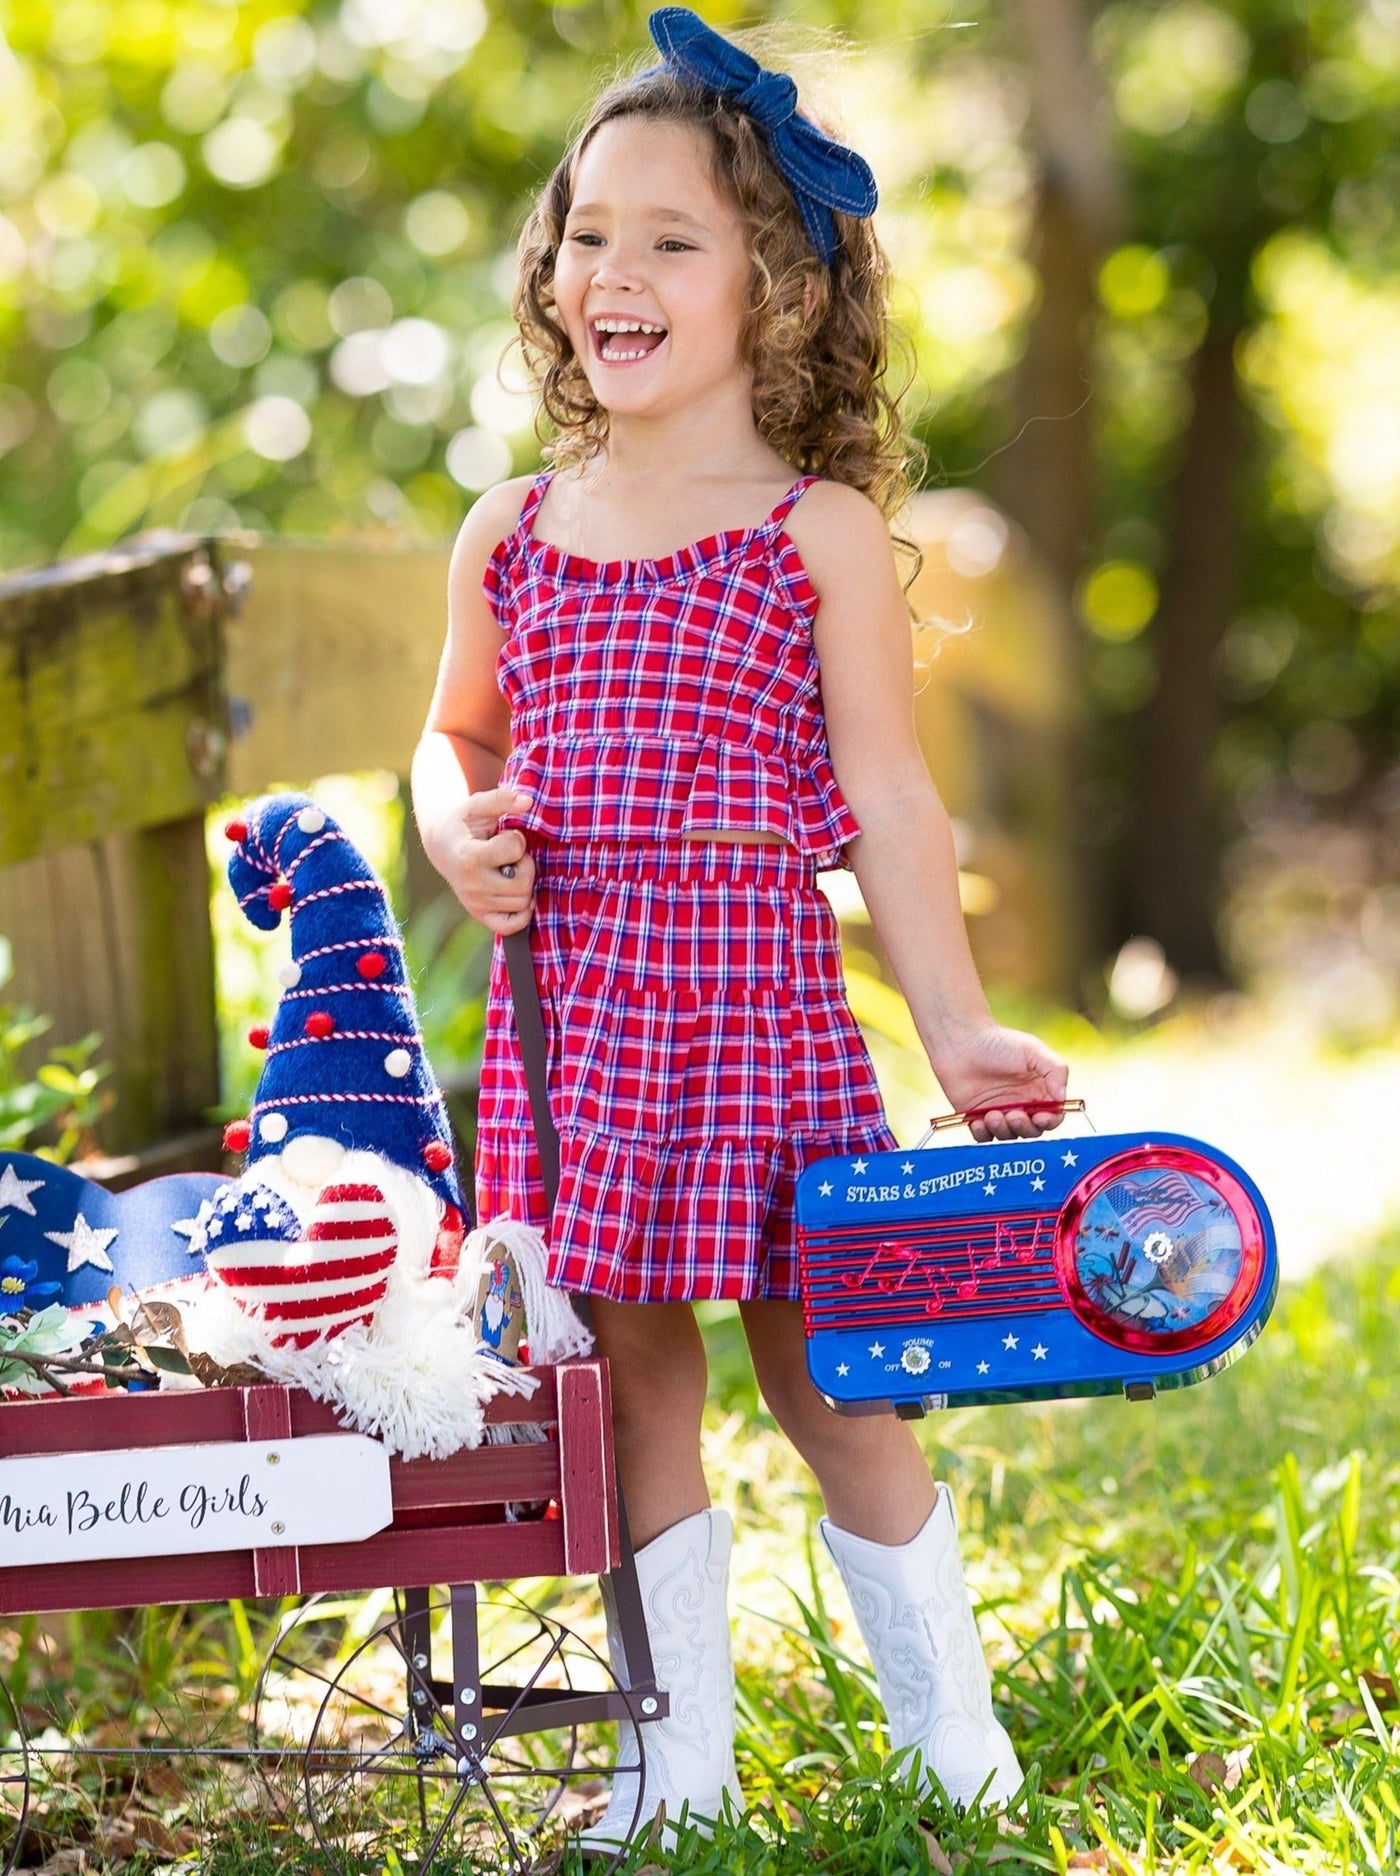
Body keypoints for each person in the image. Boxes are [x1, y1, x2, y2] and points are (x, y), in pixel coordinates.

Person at [412, 5, 1068, 1848]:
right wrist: (453, 821)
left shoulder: (815, 535)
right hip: (582, 1023)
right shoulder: (514, 528)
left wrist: (955, 1035)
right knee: (625, 1383)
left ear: (773, 288)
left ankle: (962, 1750)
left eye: (668, 239)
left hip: (756, 1009)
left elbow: (891, 803)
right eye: (584, 234)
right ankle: (668, 1766)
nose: (608, 272)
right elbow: (452, 731)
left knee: (828, 1370)